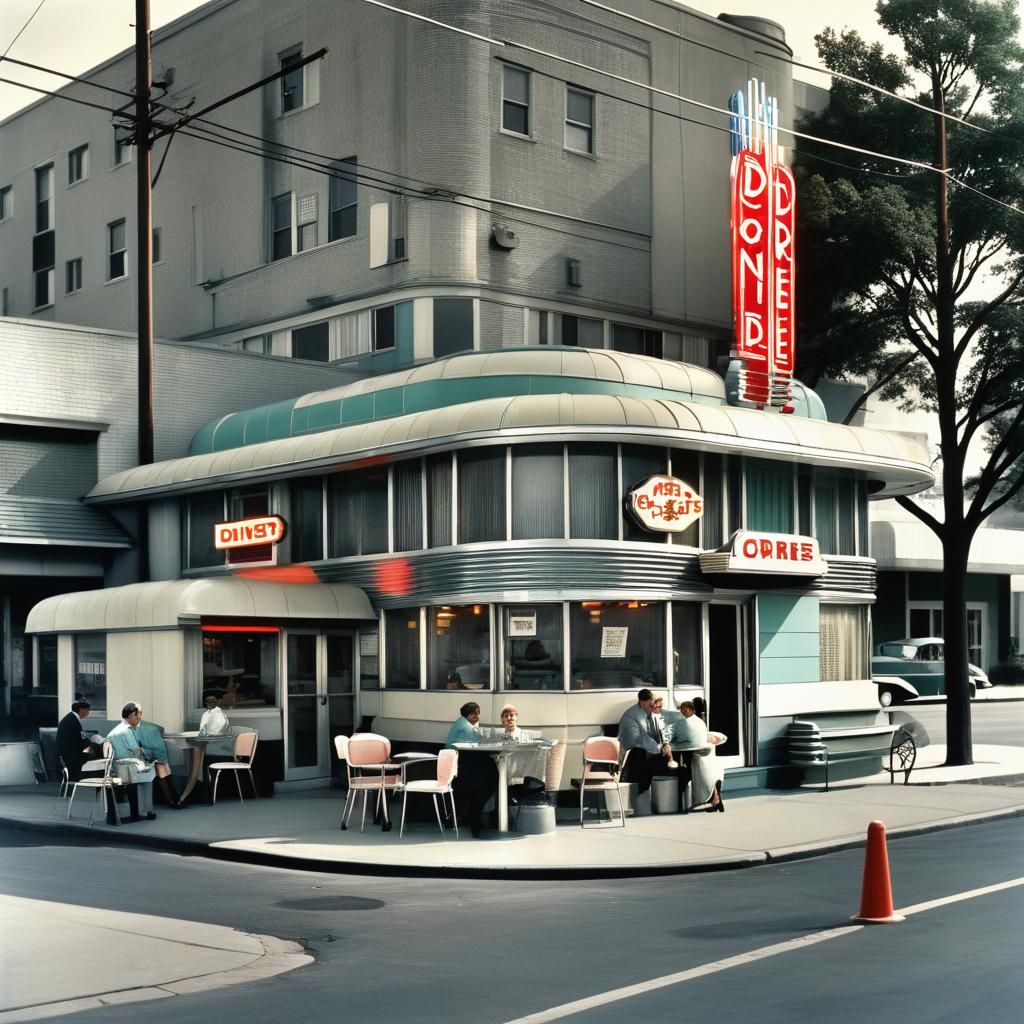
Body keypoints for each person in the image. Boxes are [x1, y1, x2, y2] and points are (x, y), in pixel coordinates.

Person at [107, 702, 186, 811]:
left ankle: (169, 801)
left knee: (160, 768)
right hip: (131, 766)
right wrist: (148, 755)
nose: (139, 717)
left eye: (140, 714)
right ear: (129, 715)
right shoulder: (127, 730)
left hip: (122, 765)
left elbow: (148, 751)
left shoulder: (121, 729)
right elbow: (136, 751)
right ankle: (151, 808)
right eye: (136, 714)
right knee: (158, 771)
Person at [445, 701, 498, 838]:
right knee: (490, 779)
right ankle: (476, 821)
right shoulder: (465, 725)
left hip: (459, 764)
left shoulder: (461, 723)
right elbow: (478, 743)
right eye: (473, 713)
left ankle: (475, 819)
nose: (477, 716)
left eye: (478, 713)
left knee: (488, 776)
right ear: (466, 714)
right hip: (459, 767)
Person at [617, 688, 684, 794]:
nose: (653, 708)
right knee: (668, 764)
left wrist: (666, 743)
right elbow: (638, 741)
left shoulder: (647, 711)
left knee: (675, 758)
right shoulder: (633, 716)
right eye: (651, 705)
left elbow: (661, 728)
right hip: (633, 757)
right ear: (642, 702)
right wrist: (661, 748)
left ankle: (675, 795)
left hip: (647, 752)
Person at [670, 699, 726, 811]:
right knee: (709, 776)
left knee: (700, 774)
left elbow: (682, 738)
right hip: (704, 753)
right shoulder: (699, 721)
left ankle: (710, 799)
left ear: (692, 710)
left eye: (685, 710)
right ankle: (715, 800)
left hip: (698, 754)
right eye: (682, 710)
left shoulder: (688, 723)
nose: (683, 712)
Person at [56, 699, 102, 781]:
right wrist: (95, 747)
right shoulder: (73, 721)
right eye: (87, 710)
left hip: (66, 753)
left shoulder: (69, 718)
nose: (88, 713)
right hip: (72, 756)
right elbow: (82, 741)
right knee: (97, 752)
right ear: (81, 710)